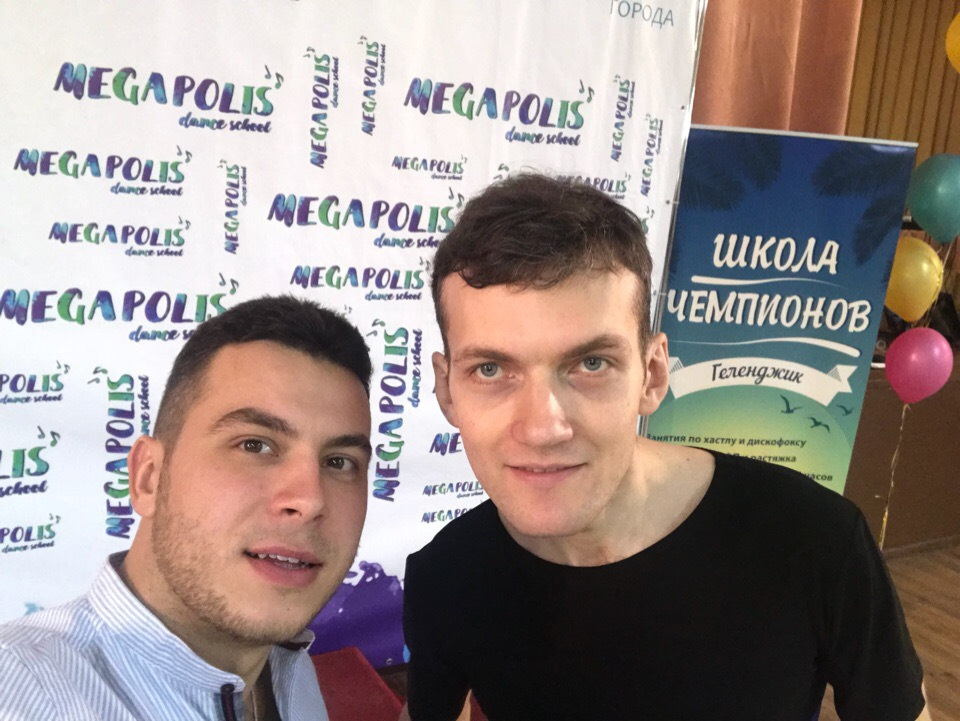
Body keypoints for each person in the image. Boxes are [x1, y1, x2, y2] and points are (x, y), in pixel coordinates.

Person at [401, 174, 927, 721]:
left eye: (590, 364)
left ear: (651, 375)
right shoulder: (448, 578)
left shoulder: (815, 542)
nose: (542, 428)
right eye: (490, 369)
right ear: (446, 389)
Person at [0, 296, 374, 721]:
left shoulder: (289, 669)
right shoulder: (22, 694)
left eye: (339, 462)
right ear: (148, 477)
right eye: (254, 445)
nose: (309, 500)